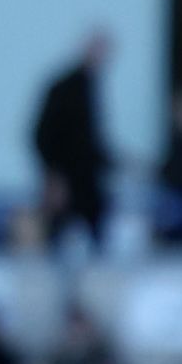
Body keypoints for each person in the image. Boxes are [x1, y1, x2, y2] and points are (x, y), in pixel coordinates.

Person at [32, 30, 114, 253]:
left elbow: (90, 142)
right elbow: (43, 135)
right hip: (68, 181)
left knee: (96, 235)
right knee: (57, 241)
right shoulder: (65, 88)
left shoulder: (89, 86)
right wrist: (54, 176)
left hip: (87, 179)